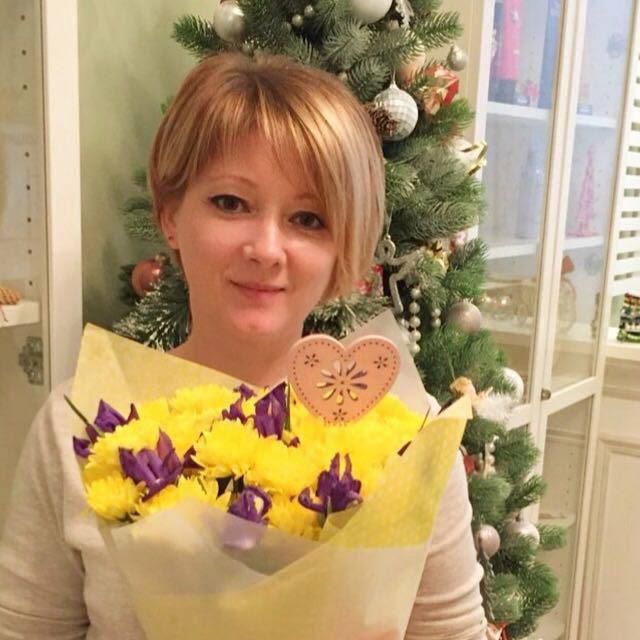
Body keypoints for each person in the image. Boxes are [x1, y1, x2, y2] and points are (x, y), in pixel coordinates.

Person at [0, 52, 487, 639]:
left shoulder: (409, 434)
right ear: (170, 216)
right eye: (231, 203)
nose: (266, 248)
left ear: (343, 245)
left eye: (308, 218)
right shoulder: (78, 425)